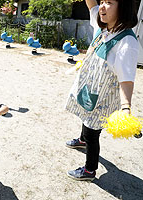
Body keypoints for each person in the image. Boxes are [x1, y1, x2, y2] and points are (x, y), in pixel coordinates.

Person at [65, 0, 139, 181]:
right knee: (85, 115)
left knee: (92, 132)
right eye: (103, 1)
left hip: (103, 99)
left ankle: (89, 170)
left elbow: (126, 79)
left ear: (123, 7)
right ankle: (82, 140)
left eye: (109, 2)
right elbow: (92, 6)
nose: (103, 6)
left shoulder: (127, 42)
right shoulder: (104, 28)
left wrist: (126, 108)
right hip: (90, 90)